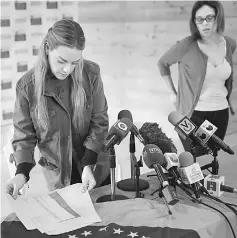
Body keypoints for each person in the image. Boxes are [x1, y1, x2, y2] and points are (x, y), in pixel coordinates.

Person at [5, 19, 110, 199]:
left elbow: (99, 121)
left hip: (94, 170)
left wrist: (89, 164)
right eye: (61, 61)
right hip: (59, 179)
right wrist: (21, 174)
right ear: (47, 48)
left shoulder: (91, 74)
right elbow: (24, 136)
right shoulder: (27, 87)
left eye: (75, 62)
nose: (67, 69)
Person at [158, 1, 236, 156]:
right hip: (193, 113)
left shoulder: (229, 44)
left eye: (209, 18)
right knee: (194, 155)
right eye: (199, 19)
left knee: (213, 154)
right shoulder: (187, 45)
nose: (204, 23)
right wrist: (172, 93)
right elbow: (163, 63)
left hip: (220, 112)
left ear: (218, 18)